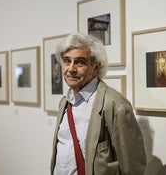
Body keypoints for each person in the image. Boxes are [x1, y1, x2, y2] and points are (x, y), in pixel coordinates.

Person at [50, 32, 146, 175]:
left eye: (80, 62)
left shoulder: (115, 104)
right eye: (67, 61)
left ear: (96, 67)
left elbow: (133, 167)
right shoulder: (64, 102)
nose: (71, 69)